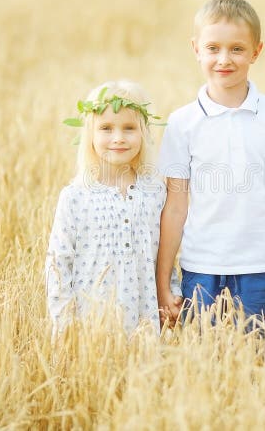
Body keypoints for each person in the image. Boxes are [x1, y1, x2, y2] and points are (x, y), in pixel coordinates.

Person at [156, 0, 265, 332]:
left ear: (256, 51)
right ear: (196, 49)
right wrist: (163, 282)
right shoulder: (182, 122)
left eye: (237, 49)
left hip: (262, 268)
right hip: (200, 268)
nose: (224, 59)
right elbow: (175, 204)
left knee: (260, 362)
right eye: (213, 48)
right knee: (202, 364)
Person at [45, 80, 179, 338]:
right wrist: (64, 323)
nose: (118, 138)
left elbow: (167, 254)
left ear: (143, 133)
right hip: (89, 326)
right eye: (106, 128)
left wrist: (171, 292)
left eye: (129, 128)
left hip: (144, 322)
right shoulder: (75, 196)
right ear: (90, 135)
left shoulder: (155, 193)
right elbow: (58, 264)